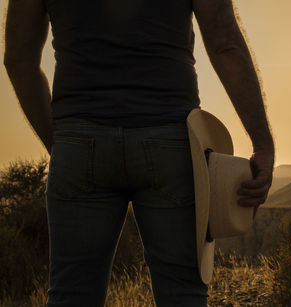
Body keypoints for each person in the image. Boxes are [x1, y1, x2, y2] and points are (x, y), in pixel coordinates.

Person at [3, 0, 275, 305]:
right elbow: (225, 44)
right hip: (170, 143)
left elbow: (18, 59)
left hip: (80, 139)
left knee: (71, 295)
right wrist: (262, 144)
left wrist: (63, 143)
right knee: (183, 294)